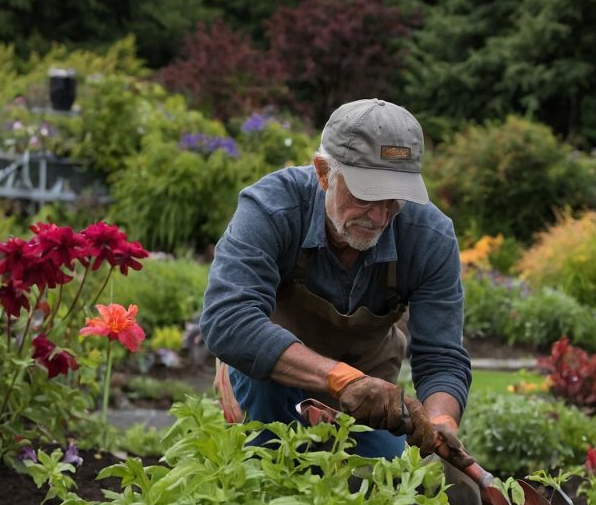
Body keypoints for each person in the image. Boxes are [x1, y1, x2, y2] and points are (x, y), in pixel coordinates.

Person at [201, 98, 472, 462]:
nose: (380, 215)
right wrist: (342, 379)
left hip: (369, 398)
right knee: (276, 477)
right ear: (324, 172)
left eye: (395, 199)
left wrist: (441, 418)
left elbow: (441, 355)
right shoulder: (273, 207)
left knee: (390, 483)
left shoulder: (428, 236)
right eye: (366, 194)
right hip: (271, 382)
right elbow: (227, 320)